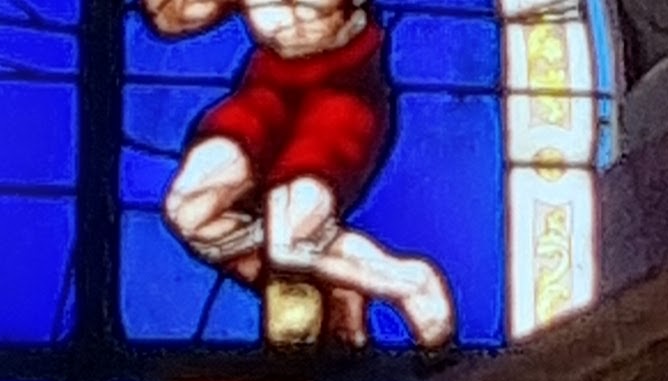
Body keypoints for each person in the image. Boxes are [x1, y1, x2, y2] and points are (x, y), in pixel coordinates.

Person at [137, 0, 454, 344]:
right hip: (268, 85)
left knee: (293, 228)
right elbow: (169, 18)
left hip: (342, 87)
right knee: (191, 210)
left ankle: (410, 283)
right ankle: (332, 282)